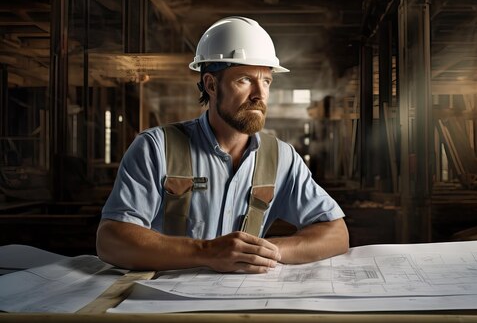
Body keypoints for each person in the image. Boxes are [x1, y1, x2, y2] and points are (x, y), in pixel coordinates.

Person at [96, 16, 349, 273]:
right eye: (245, 80)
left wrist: (266, 251)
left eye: (266, 81)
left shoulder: (281, 158)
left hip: (240, 302)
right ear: (211, 84)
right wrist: (206, 252)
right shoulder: (155, 148)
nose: (259, 95)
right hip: (165, 300)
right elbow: (111, 239)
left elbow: (337, 234)